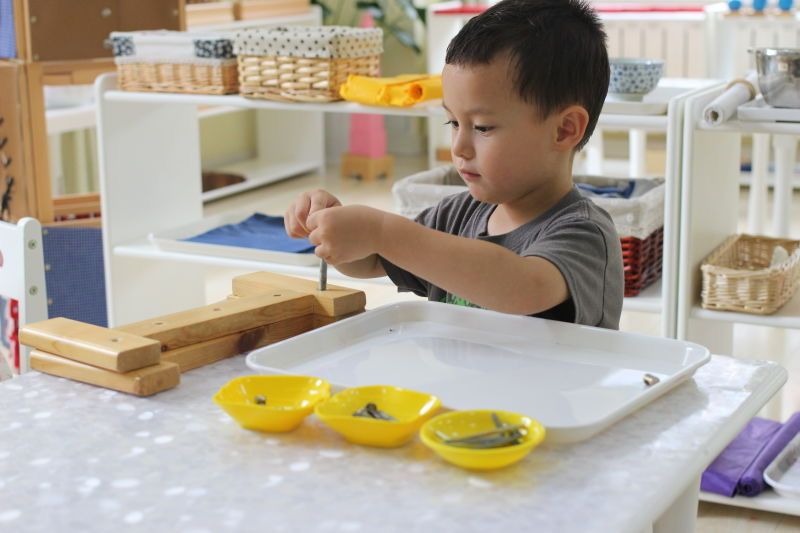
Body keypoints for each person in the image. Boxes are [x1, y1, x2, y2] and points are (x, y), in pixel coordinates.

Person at [284, 0, 623, 329]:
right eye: (453, 123)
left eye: (483, 127)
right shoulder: (457, 214)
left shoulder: (584, 233)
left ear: (564, 130)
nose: (459, 147)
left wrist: (383, 231)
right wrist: (337, 230)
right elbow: (373, 259)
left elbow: (523, 286)